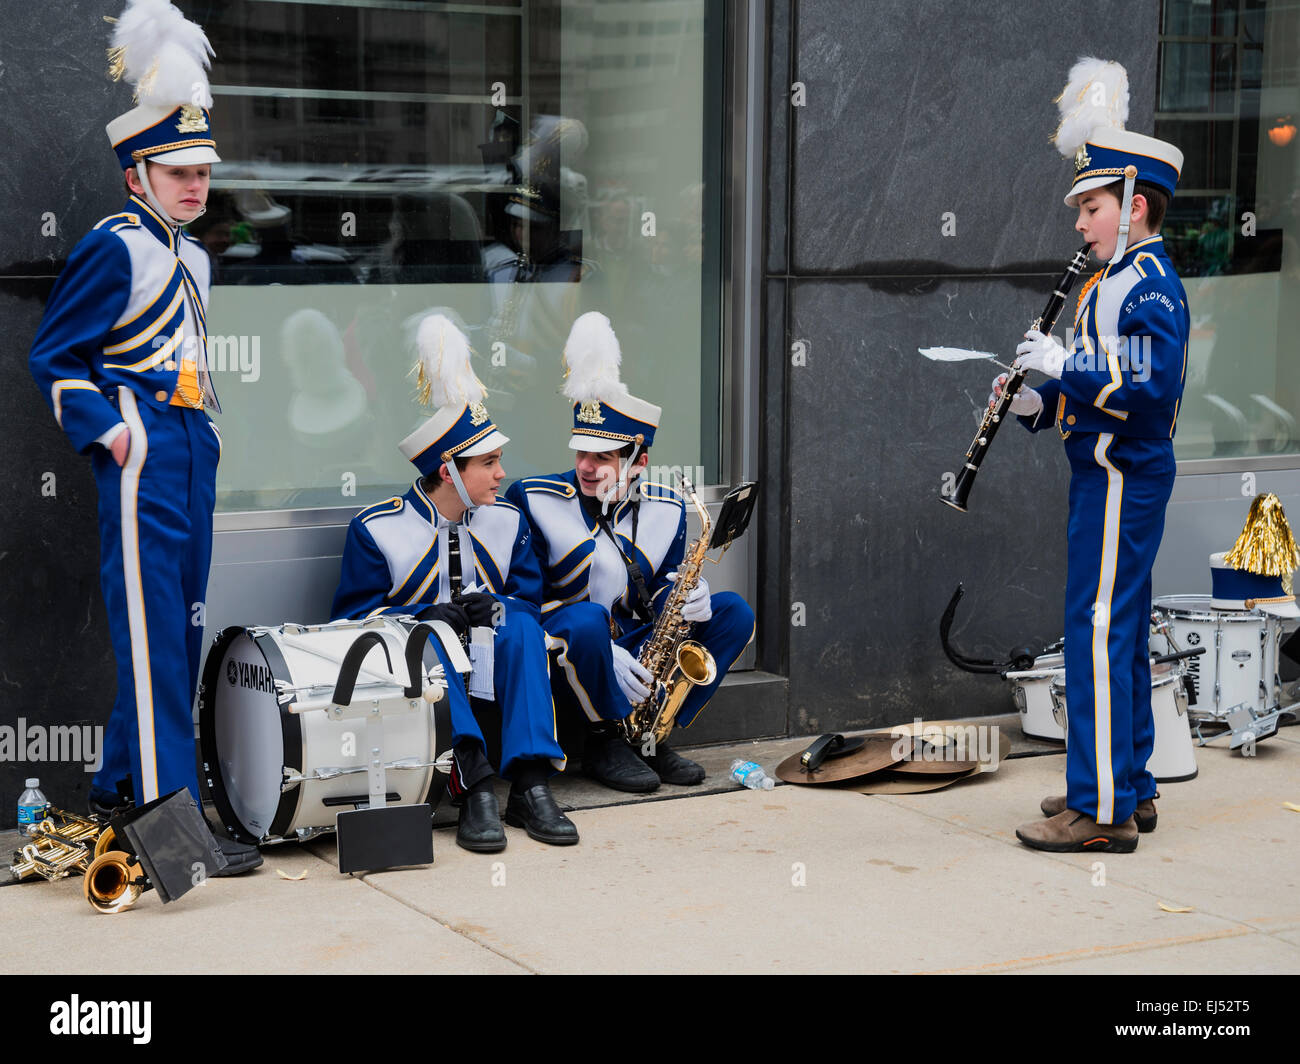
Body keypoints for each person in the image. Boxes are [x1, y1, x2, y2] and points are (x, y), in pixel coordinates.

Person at [28, 1, 259, 873]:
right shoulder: (115, 247)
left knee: (181, 628)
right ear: (137, 175)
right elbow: (55, 359)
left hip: (190, 448)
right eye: (177, 173)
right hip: (143, 448)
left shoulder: (195, 257)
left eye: (202, 171)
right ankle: (177, 834)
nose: (196, 187)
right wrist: (114, 437)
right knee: (155, 633)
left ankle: (120, 794)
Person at [992, 59, 1188, 852]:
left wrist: (1063, 363)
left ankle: (1099, 811)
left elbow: (1148, 378)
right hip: (1108, 475)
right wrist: (1040, 403)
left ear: (1134, 208)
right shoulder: (1114, 279)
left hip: (1123, 480)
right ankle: (1129, 784)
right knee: (1121, 629)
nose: (1078, 221)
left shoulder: (1144, 285)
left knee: (1097, 630)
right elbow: (1105, 390)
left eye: (1092, 206)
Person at [331, 314, 575, 851]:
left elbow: (531, 601)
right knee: (431, 639)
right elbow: (352, 626)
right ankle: (475, 788)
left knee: (521, 629)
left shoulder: (507, 519)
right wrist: (420, 618)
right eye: (488, 463)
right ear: (448, 471)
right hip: (421, 665)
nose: (501, 473)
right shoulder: (378, 528)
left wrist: (501, 606)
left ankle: (532, 784)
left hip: (491, 655)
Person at [507, 312, 755, 792]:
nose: (587, 466)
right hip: (563, 652)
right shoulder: (533, 498)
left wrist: (685, 598)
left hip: (634, 646)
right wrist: (602, 645)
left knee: (733, 612)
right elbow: (524, 599)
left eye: (603, 457)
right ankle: (602, 739)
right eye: (581, 452)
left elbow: (660, 592)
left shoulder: (666, 508)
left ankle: (650, 732)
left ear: (638, 461)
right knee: (584, 622)